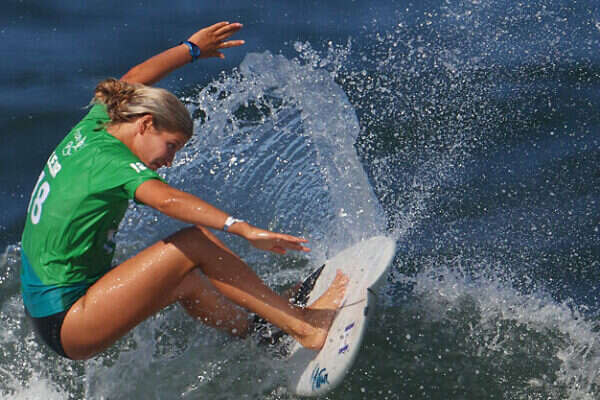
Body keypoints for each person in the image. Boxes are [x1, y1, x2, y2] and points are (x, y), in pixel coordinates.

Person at [20, 21, 348, 361]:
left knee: (185, 278)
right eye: (171, 146)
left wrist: (191, 49)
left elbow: (132, 80)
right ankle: (304, 327)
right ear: (146, 124)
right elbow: (167, 200)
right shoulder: (111, 162)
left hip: (51, 306)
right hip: (67, 318)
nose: (170, 161)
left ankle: (260, 332)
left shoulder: (101, 122)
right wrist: (243, 229)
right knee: (192, 243)